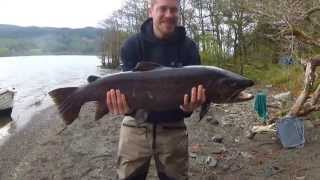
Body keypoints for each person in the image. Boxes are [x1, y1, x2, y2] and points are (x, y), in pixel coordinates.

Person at [105, 0, 206, 179]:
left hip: (173, 127)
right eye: (163, 9)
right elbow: (125, 92)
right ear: (151, 11)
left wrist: (189, 108)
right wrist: (125, 108)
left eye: (174, 10)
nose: (169, 15)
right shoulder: (132, 45)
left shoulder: (188, 48)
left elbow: (193, 100)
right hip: (135, 125)